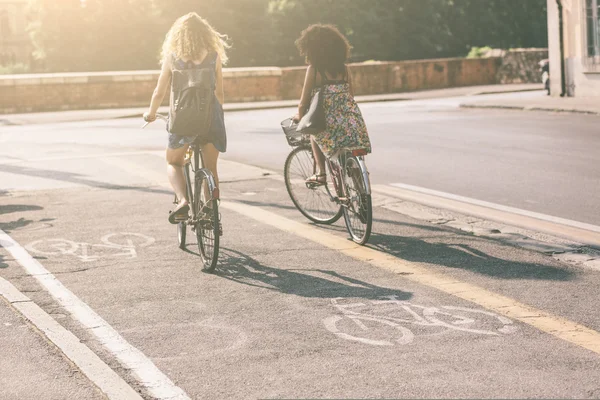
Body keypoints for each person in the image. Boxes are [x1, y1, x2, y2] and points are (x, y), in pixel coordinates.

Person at [144, 12, 228, 223]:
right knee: (211, 169)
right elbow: (220, 93)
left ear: (178, 35)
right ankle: (211, 213)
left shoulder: (173, 57)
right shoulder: (214, 56)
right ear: (206, 34)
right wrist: (218, 116)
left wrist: (151, 113)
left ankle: (183, 202)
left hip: (182, 121)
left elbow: (159, 91)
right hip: (210, 119)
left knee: (173, 162)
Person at [292, 24, 371, 184]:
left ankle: (321, 174)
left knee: (315, 133)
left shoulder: (314, 70)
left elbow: (303, 103)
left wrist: (300, 118)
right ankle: (360, 186)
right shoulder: (344, 69)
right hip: (352, 121)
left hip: (328, 125)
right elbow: (350, 97)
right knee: (352, 150)